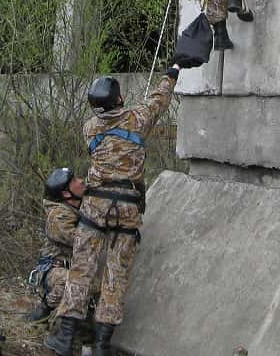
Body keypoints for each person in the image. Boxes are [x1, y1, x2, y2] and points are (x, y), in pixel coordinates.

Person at [44, 67, 180, 356]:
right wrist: (173, 72)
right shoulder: (138, 118)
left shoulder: (89, 128)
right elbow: (160, 98)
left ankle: (66, 338)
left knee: (82, 269)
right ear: (119, 100)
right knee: (116, 275)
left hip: (95, 207)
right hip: (128, 210)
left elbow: (113, 127)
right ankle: (102, 345)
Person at [26, 167, 84, 323]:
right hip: (54, 270)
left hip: (75, 266)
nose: (81, 181)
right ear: (66, 194)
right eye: (74, 181)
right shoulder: (58, 216)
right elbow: (83, 242)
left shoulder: (78, 206)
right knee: (70, 282)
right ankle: (46, 310)